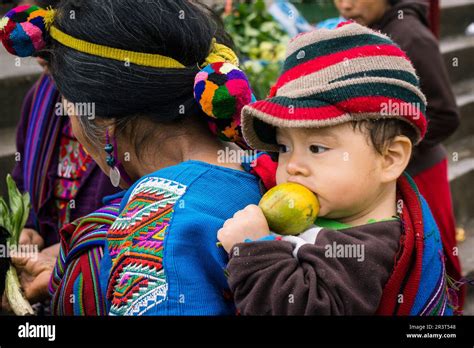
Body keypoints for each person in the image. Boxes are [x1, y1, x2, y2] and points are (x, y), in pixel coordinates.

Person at [1, 0, 262, 315]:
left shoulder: (142, 233)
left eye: (68, 104)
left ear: (103, 122)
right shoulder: (270, 171)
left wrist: (83, 274)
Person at [218, 22, 453, 315]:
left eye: (317, 148)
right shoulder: (336, 207)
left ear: (390, 158)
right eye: (284, 148)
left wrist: (252, 249)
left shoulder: (368, 250)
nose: (292, 167)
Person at [333, 0, 464, 311]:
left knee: (438, 256)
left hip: (421, 172)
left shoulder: (411, 37)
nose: (345, 5)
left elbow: (446, 115)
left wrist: (388, 149)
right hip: (390, 170)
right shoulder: (366, 31)